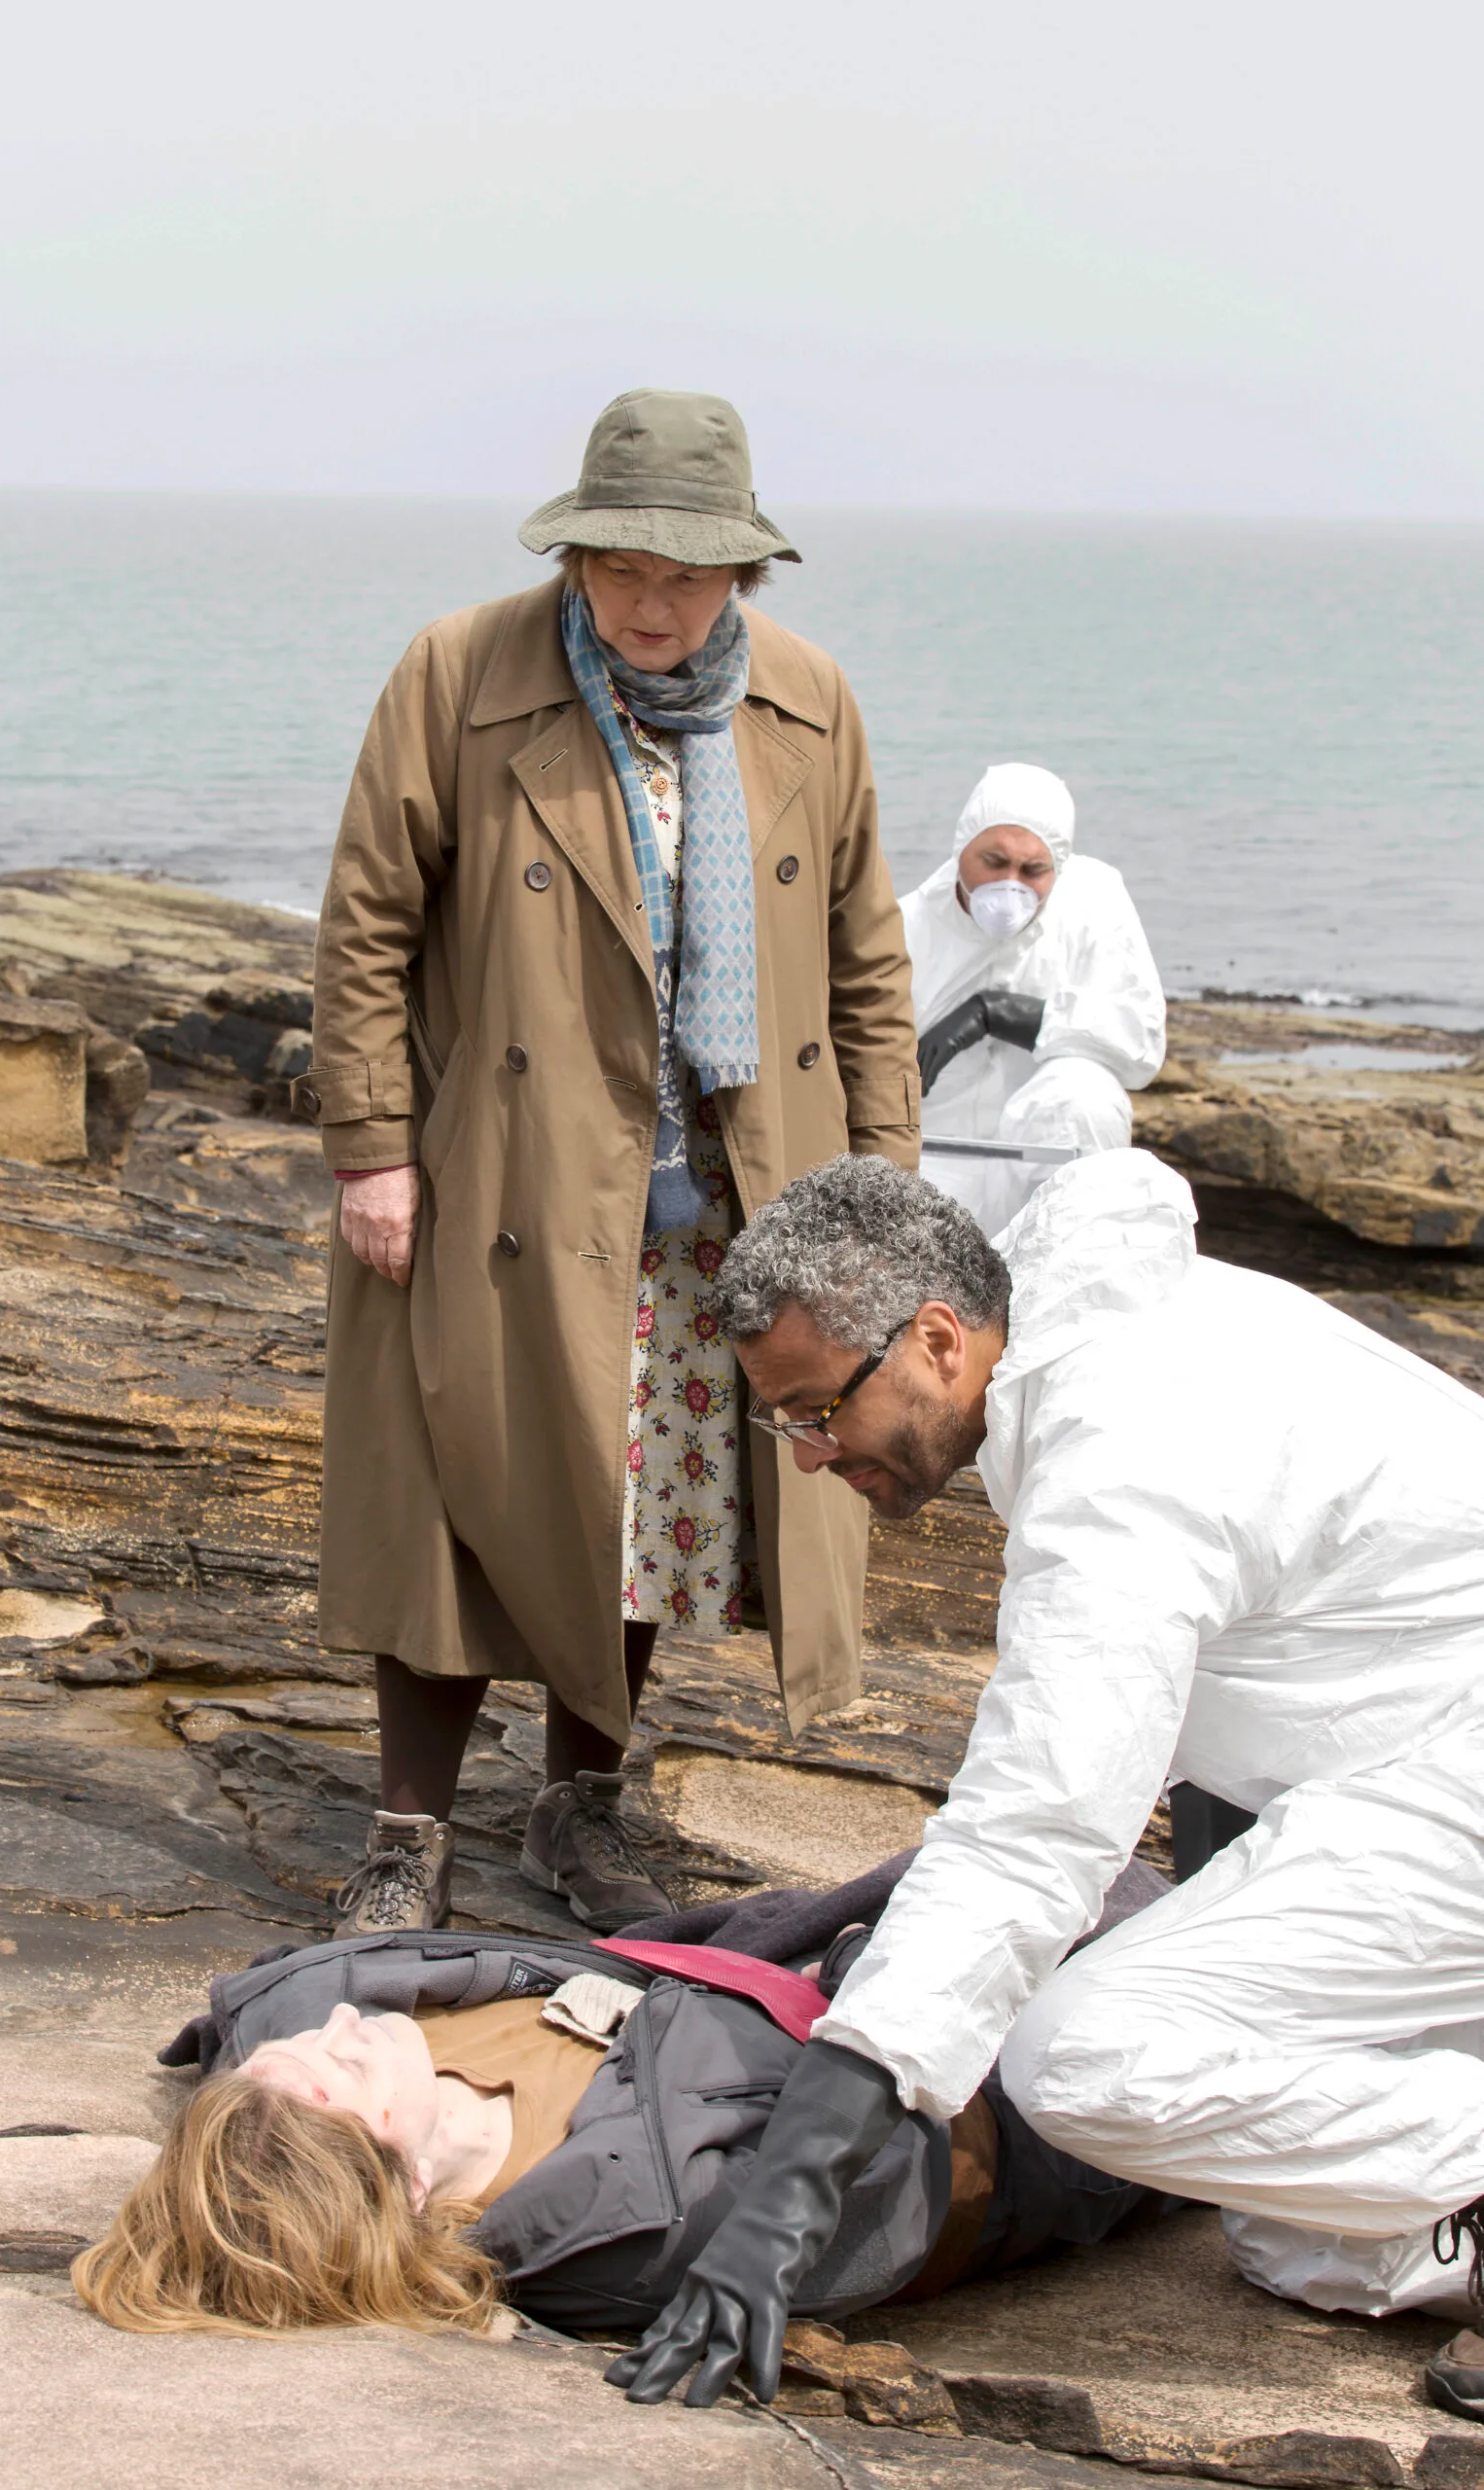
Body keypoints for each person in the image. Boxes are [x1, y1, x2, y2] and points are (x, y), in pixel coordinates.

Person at [606, 1149, 1484, 2418]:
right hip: (1421, 1773)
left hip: (1453, 1783)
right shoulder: (1097, 1330)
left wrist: (775, 2214)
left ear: (935, 1340)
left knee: (1086, 2063)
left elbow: (1036, 1833)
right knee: (1295, 2234)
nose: (802, 1456)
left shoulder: (1116, 1452)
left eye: (811, 1410)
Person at [293, 389, 919, 1939]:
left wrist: (885, 1192)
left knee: (652, 1504)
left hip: (731, 1196)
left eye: (689, 574)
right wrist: (374, 1149)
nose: (653, 602)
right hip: (499, 1175)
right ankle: (406, 1831)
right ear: (577, 552)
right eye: (624, 565)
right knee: (451, 1489)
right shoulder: (458, 670)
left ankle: (578, 1811)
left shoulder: (807, 699)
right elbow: (365, 924)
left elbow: (864, 963)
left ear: (742, 576)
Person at [72, 1885, 1171, 2337]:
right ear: (404, 2186)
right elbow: (901, 2181)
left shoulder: (312, 2041)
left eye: (276, 2062)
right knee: (1179, 1909)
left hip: (769, 1946)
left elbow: (266, 1999)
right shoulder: (653, 2223)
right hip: (1012, 2101)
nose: (331, 2032)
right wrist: (879, 1965)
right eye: (336, 2072)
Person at [901, 763, 1165, 1236]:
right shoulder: (907, 928)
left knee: (1084, 1091)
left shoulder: (1093, 904)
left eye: (1034, 869)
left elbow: (1140, 1044)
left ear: (1058, 867)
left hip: (1047, 1177)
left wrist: (1004, 1014)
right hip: (933, 1167)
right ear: (962, 848)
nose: (1011, 884)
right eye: (994, 862)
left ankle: (1080, 1261)